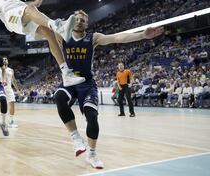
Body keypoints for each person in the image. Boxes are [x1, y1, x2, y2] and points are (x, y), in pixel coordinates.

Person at [53, 10, 164, 169]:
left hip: (87, 82)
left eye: (83, 20)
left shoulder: (93, 37)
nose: (79, 21)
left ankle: (92, 153)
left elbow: (117, 37)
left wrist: (141, 35)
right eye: (76, 19)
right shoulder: (62, 35)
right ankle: (76, 137)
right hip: (69, 80)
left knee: (92, 117)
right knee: (59, 98)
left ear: (87, 24)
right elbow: (46, 32)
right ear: (71, 21)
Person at [0, 0, 85, 87]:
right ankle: (58, 27)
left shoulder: (18, 2)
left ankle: (66, 73)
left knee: (49, 33)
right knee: (31, 9)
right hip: (12, 18)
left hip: (25, 16)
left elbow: (37, 3)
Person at [2, 57, 20, 128]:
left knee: (12, 103)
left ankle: (11, 121)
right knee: (3, 105)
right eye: (3, 59)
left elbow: (14, 80)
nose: (4, 60)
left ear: (8, 61)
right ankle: (3, 121)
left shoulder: (11, 70)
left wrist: (17, 90)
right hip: (1, 88)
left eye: (6, 59)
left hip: (9, 89)